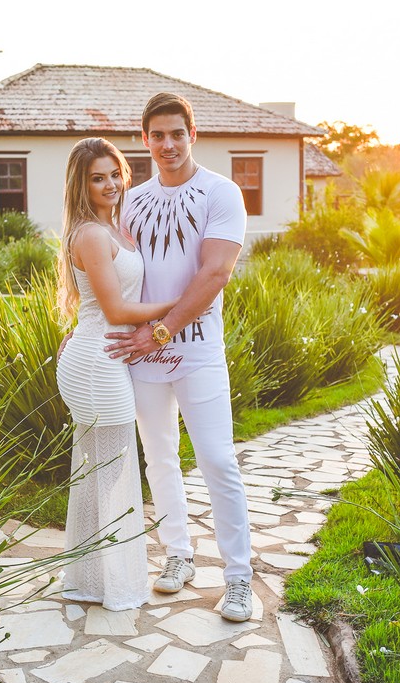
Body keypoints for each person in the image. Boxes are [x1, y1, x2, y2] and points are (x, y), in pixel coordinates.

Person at [105, 93, 254, 622]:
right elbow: (112, 272)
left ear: (194, 134)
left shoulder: (222, 192)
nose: (168, 145)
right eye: (158, 135)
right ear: (144, 140)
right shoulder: (130, 201)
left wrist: (161, 332)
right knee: (159, 457)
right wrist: (82, 329)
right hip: (141, 353)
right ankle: (179, 555)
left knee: (217, 459)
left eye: (177, 134)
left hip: (195, 352)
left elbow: (215, 273)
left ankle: (239, 579)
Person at [55, 137, 178, 611]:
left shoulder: (115, 227)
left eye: (114, 174)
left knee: (101, 472)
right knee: (113, 470)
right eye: (97, 178)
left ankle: (92, 578)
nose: (109, 185)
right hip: (95, 361)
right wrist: (179, 304)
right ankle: (107, 582)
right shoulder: (90, 233)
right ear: (80, 185)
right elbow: (115, 308)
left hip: (99, 354)